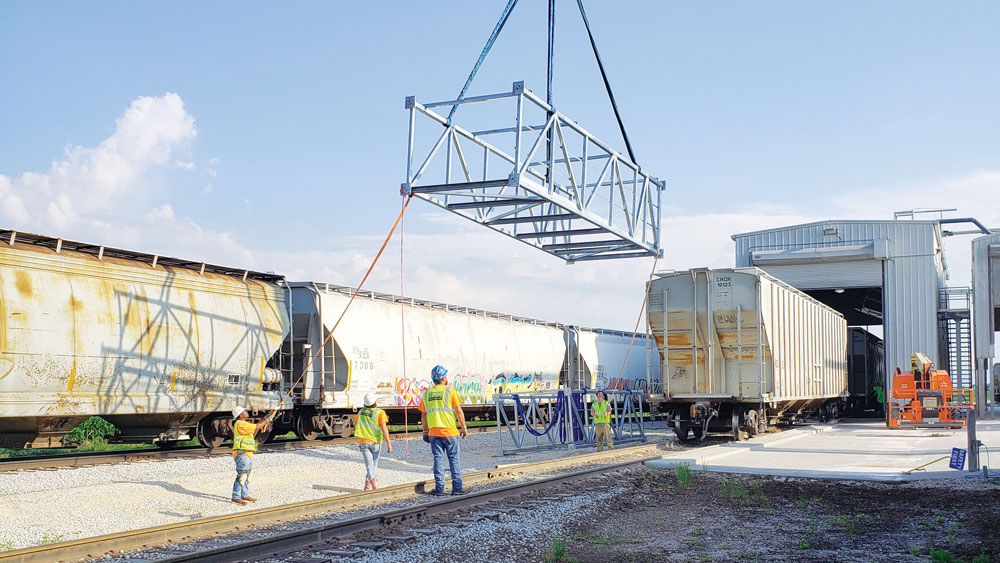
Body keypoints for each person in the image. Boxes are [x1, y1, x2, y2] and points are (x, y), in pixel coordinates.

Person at [418, 364, 468, 495]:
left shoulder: (427, 394)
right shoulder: (450, 391)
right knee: (454, 459)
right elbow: (458, 411)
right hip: (450, 432)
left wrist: (425, 431)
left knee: (438, 460)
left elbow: (423, 414)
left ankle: (439, 488)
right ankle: (457, 488)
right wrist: (464, 428)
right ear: (444, 378)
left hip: (434, 433)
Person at [231, 406, 273, 505]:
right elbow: (257, 426)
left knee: (246, 475)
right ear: (240, 415)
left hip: (247, 453)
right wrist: (267, 419)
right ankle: (235, 496)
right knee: (242, 475)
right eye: (244, 411)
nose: (246, 412)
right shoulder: (240, 424)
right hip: (242, 454)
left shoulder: (243, 423)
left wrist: (268, 416)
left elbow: (257, 425)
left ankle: (244, 494)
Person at [354, 392, 392, 490]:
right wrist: (388, 443)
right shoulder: (380, 413)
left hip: (364, 442)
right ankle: (374, 484)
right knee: (373, 464)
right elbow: (384, 429)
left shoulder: (361, 412)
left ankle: (367, 485)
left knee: (370, 465)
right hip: (376, 442)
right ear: (375, 402)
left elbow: (356, 424)